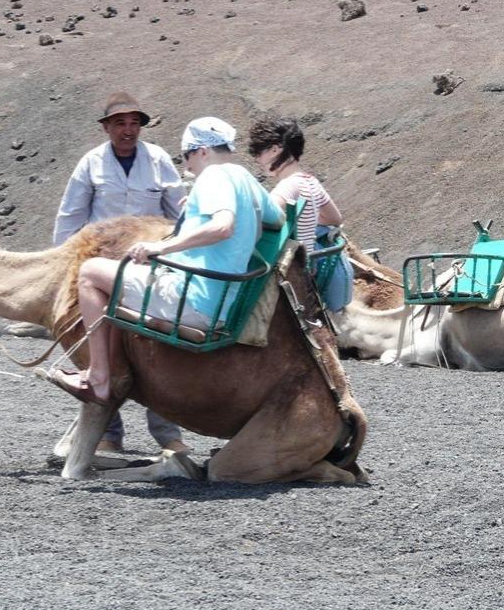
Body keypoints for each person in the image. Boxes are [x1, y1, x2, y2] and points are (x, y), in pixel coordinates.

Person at [47, 116, 286, 408]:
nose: (187, 167)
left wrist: (160, 247)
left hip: (194, 300)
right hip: (226, 302)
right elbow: (279, 219)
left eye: (187, 157)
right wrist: (198, 209)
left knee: (90, 272)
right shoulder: (245, 178)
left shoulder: (214, 176)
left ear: (202, 151)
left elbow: (224, 226)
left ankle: (98, 378)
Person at [53, 91, 188, 454]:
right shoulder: (91, 164)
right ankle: (109, 434)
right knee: (98, 345)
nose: (128, 130)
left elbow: (178, 213)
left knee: (158, 346)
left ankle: (168, 434)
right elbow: (71, 216)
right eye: (120, 124)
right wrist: (62, 265)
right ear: (106, 127)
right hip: (98, 271)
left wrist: (178, 252)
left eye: (134, 123)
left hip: (148, 268)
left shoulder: (158, 160)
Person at [247, 114, 353, 311]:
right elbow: (335, 218)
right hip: (311, 268)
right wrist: (307, 222)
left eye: (259, 154)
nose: (257, 161)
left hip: (296, 273)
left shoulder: (287, 187)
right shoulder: (310, 181)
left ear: (274, 150)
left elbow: (264, 220)